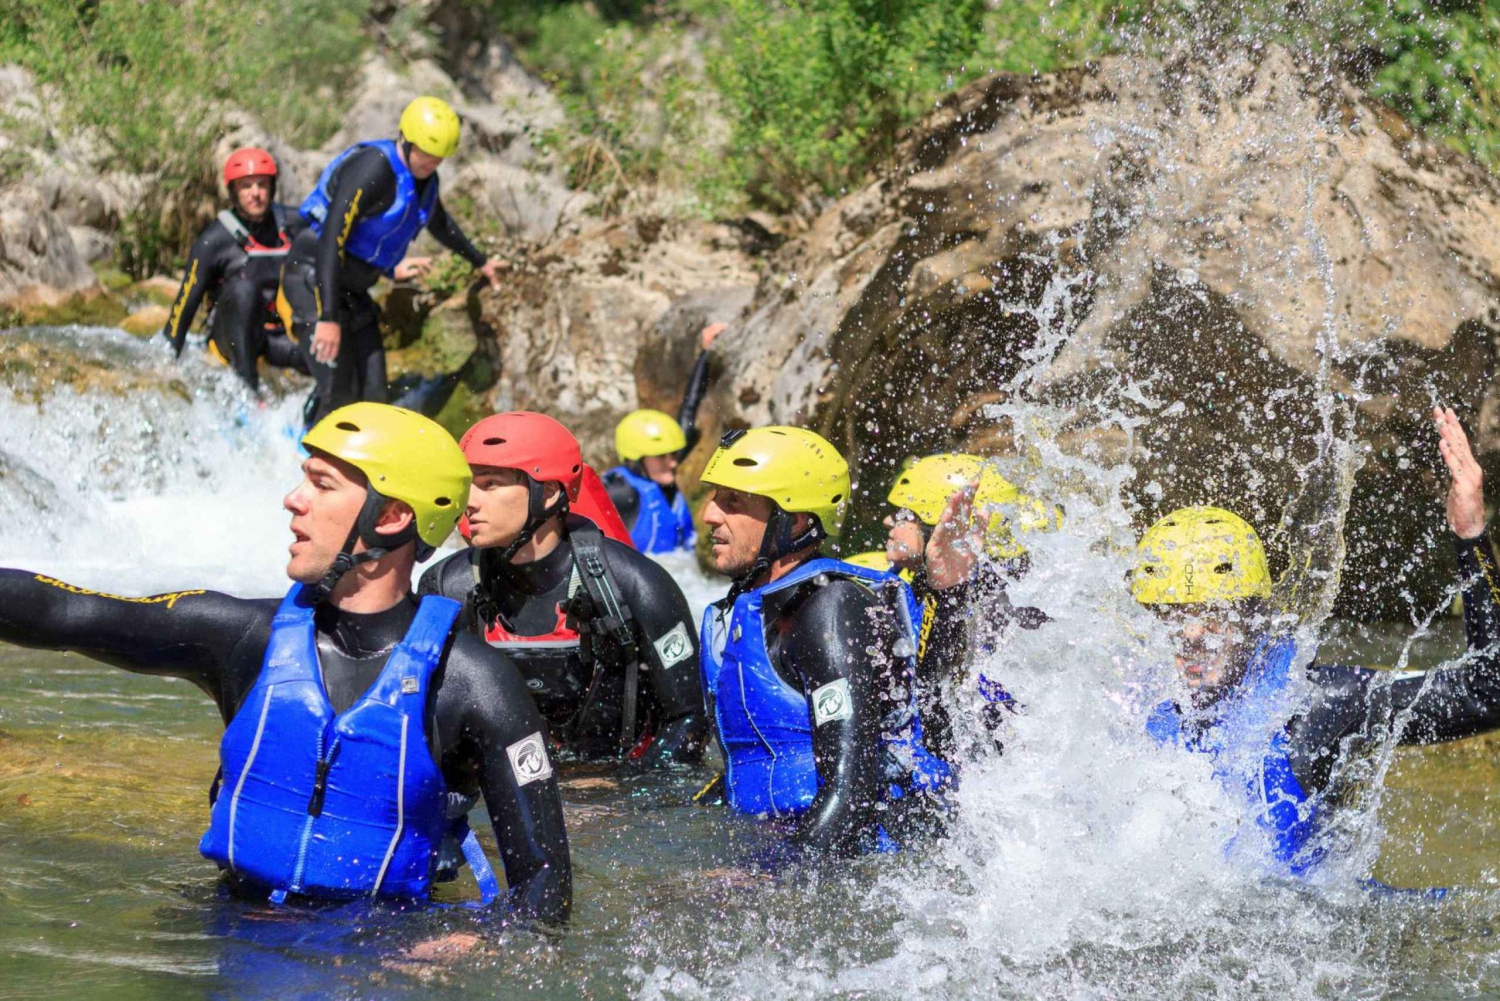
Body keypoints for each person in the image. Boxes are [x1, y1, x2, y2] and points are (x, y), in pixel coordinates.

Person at [0, 403, 570, 918]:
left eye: (321, 485)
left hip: (379, 962)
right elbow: (68, 612)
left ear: (392, 516)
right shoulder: (240, 637)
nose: (293, 499)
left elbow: (544, 889)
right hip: (233, 931)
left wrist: (465, 943)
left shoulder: (474, 684)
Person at [1130, 406, 1500, 878]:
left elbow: (1488, 693)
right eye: (1172, 616)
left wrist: (1470, 536)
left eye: (1213, 614)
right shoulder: (1134, 707)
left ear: (1255, 616)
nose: (1191, 635)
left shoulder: (1319, 703)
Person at [697, 426, 951, 856]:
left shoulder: (830, 609)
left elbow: (850, 800)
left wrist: (766, 884)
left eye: (733, 501)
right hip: (786, 843)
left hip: (855, 862)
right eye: (714, 496)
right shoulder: (742, 612)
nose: (709, 514)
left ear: (794, 521)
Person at [419, 412, 709, 766]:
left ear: (549, 493)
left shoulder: (635, 583)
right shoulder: (447, 586)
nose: (471, 502)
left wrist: (619, 796)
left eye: (491, 484)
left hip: (615, 789)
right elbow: (421, 719)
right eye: (469, 485)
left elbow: (690, 719)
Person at [281, 96, 506, 425]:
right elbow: (331, 239)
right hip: (314, 279)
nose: (430, 165)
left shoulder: (426, 181)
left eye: (438, 160)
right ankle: (309, 461)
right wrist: (328, 318)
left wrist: (481, 261)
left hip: (352, 291)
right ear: (406, 139)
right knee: (339, 392)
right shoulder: (373, 169)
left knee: (375, 398)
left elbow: (440, 224)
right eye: (425, 156)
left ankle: (354, 462)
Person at [883, 453, 1054, 754]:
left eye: (902, 515)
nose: (888, 521)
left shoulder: (993, 605)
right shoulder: (921, 587)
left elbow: (935, 695)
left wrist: (946, 595)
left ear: (938, 523)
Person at [162, 147, 308, 391]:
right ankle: (248, 392)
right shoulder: (214, 240)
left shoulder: (295, 224)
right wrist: (167, 360)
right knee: (243, 287)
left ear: (272, 187)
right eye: (246, 186)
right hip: (230, 339)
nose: (255, 194)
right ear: (233, 191)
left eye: (261, 185)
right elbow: (185, 305)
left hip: (276, 337)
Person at [604, 323, 724, 554]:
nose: (673, 462)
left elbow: (689, 409)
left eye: (673, 455)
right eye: (661, 457)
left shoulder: (660, 475)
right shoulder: (620, 492)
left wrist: (705, 354)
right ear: (635, 459)